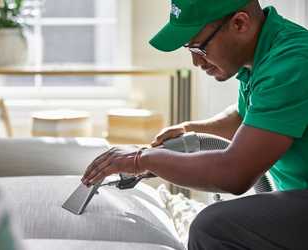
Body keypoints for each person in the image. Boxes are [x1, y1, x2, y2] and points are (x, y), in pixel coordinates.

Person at [82, 0, 308, 249]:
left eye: (199, 48)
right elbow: (248, 118)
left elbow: (234, 174)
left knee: (214, 227)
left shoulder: (291, 63)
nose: (196, 63)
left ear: (240, 23)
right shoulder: (263, 52)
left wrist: (140, 159)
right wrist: (191, 131)